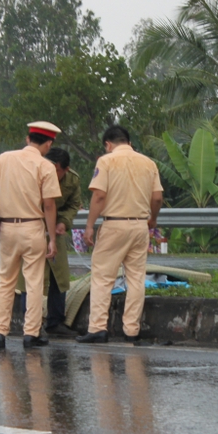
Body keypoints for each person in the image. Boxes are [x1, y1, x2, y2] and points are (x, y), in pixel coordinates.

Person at [76, 125, 163, 344]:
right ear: (129, 142)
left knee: (103, 277)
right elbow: (158, 198)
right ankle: (131, 330)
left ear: (108, 144)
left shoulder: (106, 161)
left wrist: (89, 226)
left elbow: (98, 197)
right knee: (135, 279)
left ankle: (97, 328)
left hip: (114, 225)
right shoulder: (148, 163)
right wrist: (152, 219)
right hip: (140, 227)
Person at [0, 121, 62, 349]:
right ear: (48, 144)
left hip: (7, 228)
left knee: (6, 280)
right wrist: (52, 238)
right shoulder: (46, 166)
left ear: (28, 139)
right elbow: (49, 205)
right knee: (34, 282)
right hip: (32, 229)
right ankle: (31, 333)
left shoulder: (4, 158)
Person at [19, 147, 83, 336]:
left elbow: (72, 204)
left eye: (56, 171)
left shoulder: (73, 179)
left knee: (59, 277)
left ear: (65, 169)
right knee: (30, 278)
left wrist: (63, 222)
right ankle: (31, 325)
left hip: (55, 230)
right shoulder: (32, 174)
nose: (52, 174)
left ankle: (55, 322)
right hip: (33, 227)